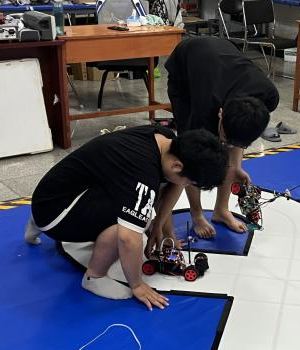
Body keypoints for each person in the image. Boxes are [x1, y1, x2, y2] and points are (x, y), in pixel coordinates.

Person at [24, 125, 228, 310]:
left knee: (143, 208)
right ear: (177, 166)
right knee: (139, 217)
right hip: (57, 215)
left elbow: (174, 183)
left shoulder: (165, 139)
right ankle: (95, 276)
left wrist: (160, 227)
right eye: (189, 183)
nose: (185, 186)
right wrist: (137, 285)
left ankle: (37, 222)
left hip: (48, 198)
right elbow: (127, 239)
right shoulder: (143, 171)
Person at [164, 36, 279, 239]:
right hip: (186, 67)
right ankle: (197, 213)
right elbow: (189, 161)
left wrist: (235, 166)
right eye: (226, 138)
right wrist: (197, 215)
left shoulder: (269, 96)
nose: (228, 145)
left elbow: (239, 134)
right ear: (220, 113)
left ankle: (221, 210)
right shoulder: (204, 109)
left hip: (224, 60)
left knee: (229, 149)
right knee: (195, 157)